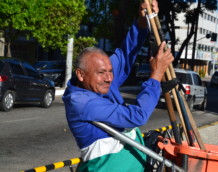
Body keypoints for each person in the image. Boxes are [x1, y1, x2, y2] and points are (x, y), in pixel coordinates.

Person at [62, 1, 174, 171]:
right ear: (80, 74)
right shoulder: (81, 102)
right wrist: (156, 75)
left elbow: (124, 54)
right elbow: (137, 116)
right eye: (101, 72)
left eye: (110, 71)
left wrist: (143, 20)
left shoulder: (98, 82)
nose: (109, 78)